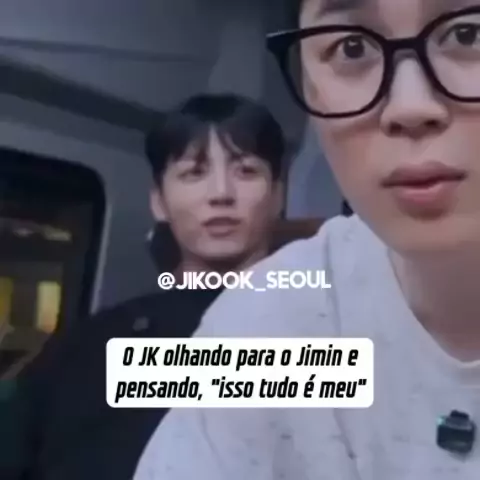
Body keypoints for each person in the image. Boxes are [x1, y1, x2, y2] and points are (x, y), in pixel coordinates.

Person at [134, 1, 480, 479]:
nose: (409, 107)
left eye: (469, 34)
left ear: (278, 192)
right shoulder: (264, 322)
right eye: (352, 47)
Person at [0, 92, 285, 480]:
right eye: (194, 173)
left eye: (246, 171)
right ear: (159, 202)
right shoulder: (86, 342)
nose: (221, 193)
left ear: (277, 196)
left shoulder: (325, 335)